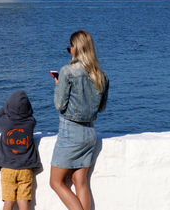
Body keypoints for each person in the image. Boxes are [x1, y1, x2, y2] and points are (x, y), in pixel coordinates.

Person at [49, 29, 109, 210]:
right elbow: (102, 108)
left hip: (70, 132)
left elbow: (60, 105)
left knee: (55, 182)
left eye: (70, 47)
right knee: (79, 180)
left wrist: (59, 85)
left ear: (76, 48)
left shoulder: (67, 72)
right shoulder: (101, 75)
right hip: (89, 132)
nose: (69, 50)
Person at [0, 90, 42, 210]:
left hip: (7, 167)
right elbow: (30, 115)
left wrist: (5, 107)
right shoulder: (30, 123)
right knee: (23, 201)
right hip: (25, 168)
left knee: (8, 201)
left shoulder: (5, 123)